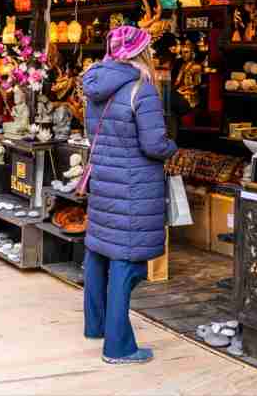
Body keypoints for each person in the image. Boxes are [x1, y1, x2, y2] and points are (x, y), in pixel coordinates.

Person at [81, 26, 177, 365]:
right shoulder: (142, 90)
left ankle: (96, 326)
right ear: (141, 52)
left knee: (99, 251)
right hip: (133, 187)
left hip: (106, 181)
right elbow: (153, 145)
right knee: (126, 261)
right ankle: (119, 347)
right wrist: (172, 148)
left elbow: (96, 135)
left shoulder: (95, 85)